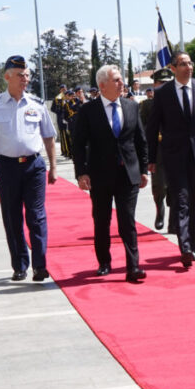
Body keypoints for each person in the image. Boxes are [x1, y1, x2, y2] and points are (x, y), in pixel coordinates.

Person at [0, 55, 58, 282]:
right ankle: (20, 265)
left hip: (34, 165)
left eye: (27, 75)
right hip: (7, 167)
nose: (25, 79)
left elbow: (49, 137)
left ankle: (40, 266)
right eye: (20, 75)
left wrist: (53, 166)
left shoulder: (37, 104)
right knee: (12, 217)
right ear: (7, 77)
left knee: (37, 215)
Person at [145, 51, 195, 268]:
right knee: (181, 201)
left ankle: (194, 244)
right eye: (183, 64)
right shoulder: (163, 93)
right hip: (173, 156)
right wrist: (151, 158)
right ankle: (185, 247)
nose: (188, 67)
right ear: (173, 68)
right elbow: (153, 127)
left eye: (190, 63)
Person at [72, 65, 149, 283]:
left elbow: (141, 141)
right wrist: (81, 173)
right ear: (102, 85)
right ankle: (104, 262)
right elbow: (78, 145)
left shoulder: (131, 107)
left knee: (128, 220)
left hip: (128, 174)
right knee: (102, 220)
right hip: (100, 175)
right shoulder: (88, 111)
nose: (121, 83)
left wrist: (143, 170)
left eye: (121, 79)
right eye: (116, 80)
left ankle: (133, 266)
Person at [140, 67, 173, 231]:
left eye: (167, 83)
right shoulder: (147, 105)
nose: (164, 86)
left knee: (175, 184)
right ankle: (160, 211)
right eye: (161, 83)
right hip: (157, 149)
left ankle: (174, 219)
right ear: (154, 85)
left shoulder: (177, 102)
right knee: (159, 185)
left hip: (175, 148)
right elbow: (142, 128)